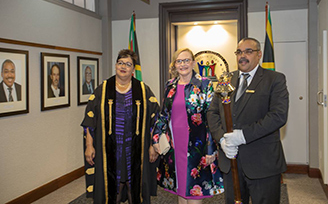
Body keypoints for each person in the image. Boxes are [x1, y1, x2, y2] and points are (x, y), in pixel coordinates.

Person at [207, 37, 289, 204]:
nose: (242, 56)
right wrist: (222, 138)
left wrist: (243, 136)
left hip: (263, 162)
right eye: (239, 52)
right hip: (231, 161)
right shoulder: (226, 80)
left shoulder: (275, 79)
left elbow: (278, 116)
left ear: (259, 55)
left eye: (248, 51)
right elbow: (213, 112)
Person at [81, 49, 160, 204]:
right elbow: (90, 121)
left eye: (128, 64)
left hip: (136, 148)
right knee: (113, 188)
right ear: (115, 65)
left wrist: (153, 145)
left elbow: (156, 120)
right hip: (109, 149)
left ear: (133, 69)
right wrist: (89, 146)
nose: (123, 66)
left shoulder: (143, 90)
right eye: (120, 63)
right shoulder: (102, 90)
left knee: (133, 186)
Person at [152, 48, 224, 204]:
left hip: (197, 146)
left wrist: (211, 149)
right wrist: (156, 138)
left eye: (186, 60)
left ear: (193, 63)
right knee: (180, 190)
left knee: (194, 192)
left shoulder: (205, 84)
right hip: (175, 146)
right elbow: (163, 114)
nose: (183, 64)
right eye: (179, 61)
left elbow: (211, 118)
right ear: (174, 64)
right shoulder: (169, 85)